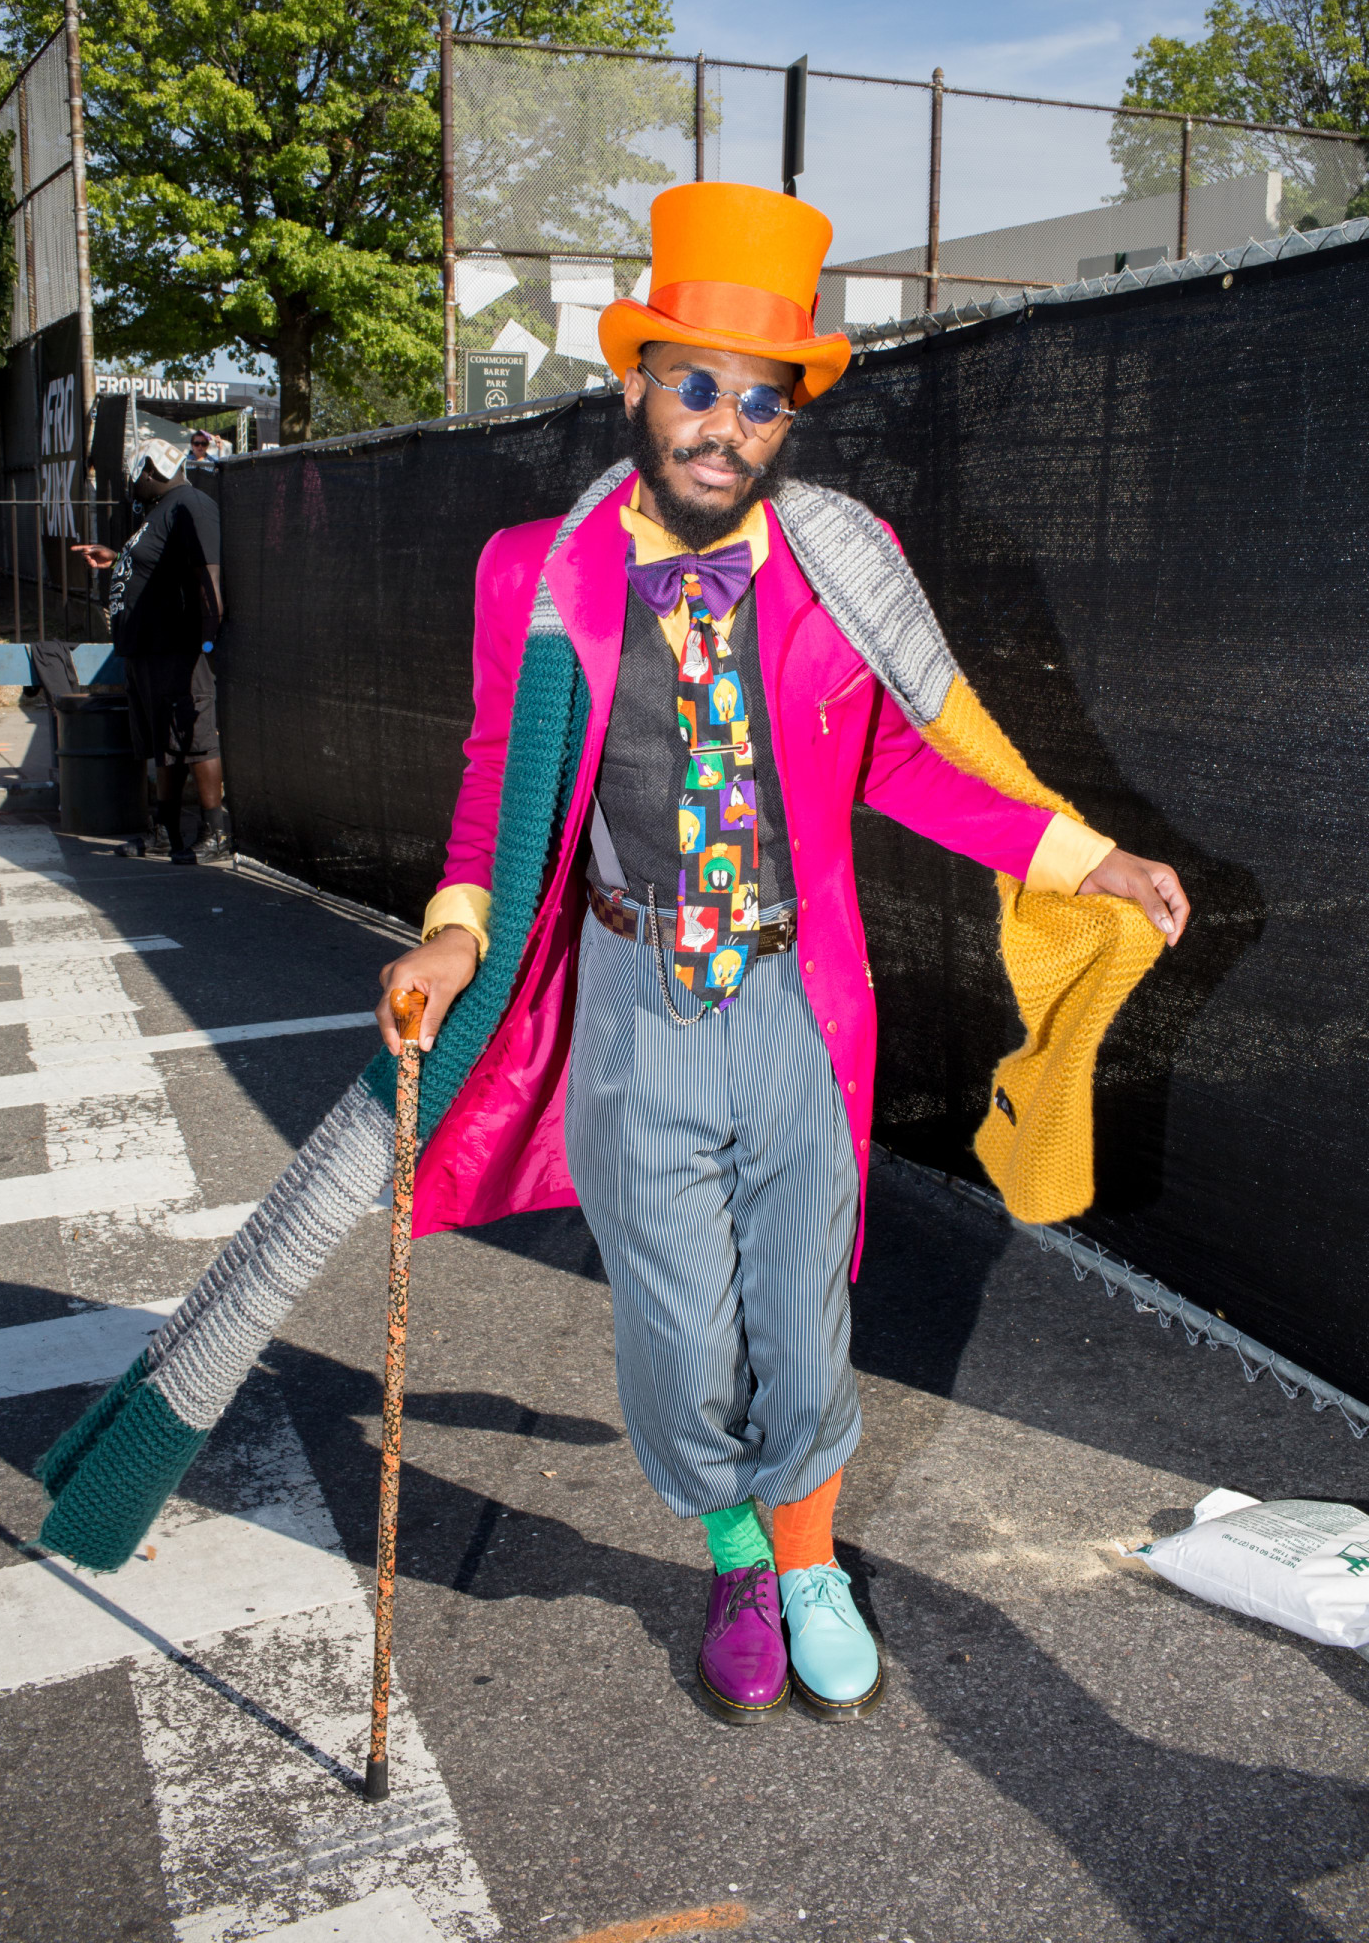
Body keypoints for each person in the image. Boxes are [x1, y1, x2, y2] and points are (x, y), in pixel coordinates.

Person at [372, 182, 1190, 1727]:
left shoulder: (844, 561)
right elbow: (501, 772)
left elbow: (917, 760)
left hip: (800, 997)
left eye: (762, 399)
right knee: (679, 1329)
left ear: (788, 416)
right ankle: (733, 1549)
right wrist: (451, 930)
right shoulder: (533, 576)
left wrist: (1091, 857)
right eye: (695, 384)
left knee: (801, 1317)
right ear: (638, 382)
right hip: (627, 996)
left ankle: (809, 1560)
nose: (723, 424)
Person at [73, 435, 230, 863]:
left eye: (135, 474)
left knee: (195, 739)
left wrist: (209, 639)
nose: (131, 483)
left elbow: (207, 575)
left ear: (152, 469)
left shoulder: (190, 504)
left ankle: (215, 833)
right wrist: (117, 555)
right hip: (144, 649)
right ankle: (165, 832)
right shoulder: (158, 513)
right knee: (164, 743)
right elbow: (153, 560)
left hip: (176, 648)